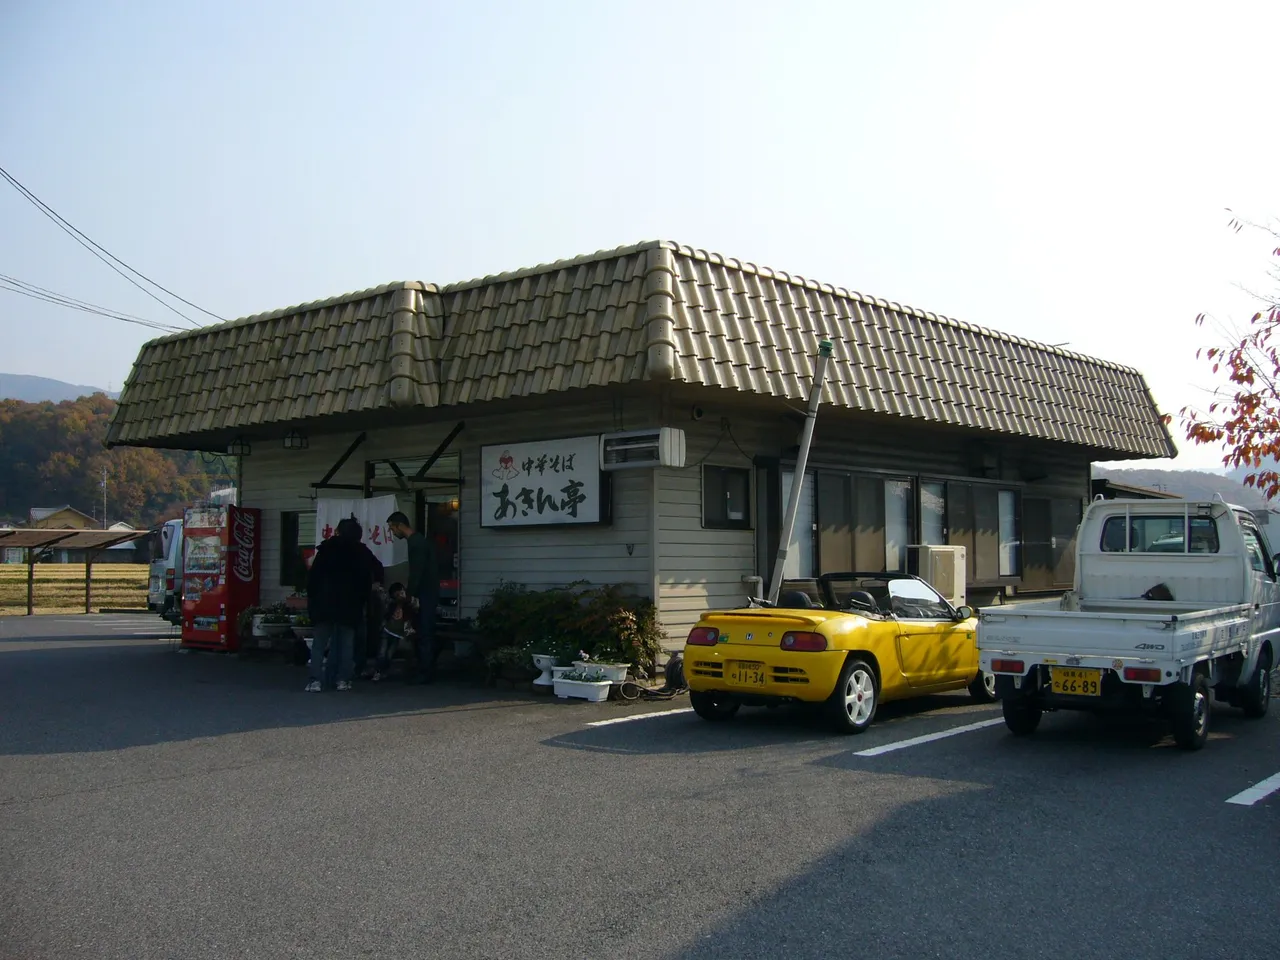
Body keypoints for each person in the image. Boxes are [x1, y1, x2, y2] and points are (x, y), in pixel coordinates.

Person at [305, 518, 374, 692]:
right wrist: (362, 601)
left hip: (324, 603)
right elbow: (366, 581)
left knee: (319, 643)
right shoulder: (361, 552)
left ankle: (315, 681)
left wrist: (312, 601)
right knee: (347, 644)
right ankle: (343, 680)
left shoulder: (326, 549)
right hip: (349, 604)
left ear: (338, 531)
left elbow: (313, 579)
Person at [387, 510, 438, 684]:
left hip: (424, 593)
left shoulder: (415, 543)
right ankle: (425, 668)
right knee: (423, 631)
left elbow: (417, 572)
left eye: (392, 528)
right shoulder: (420, 541)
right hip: (428, 591)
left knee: (423, 632)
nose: (393, 532)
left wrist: (409, 595)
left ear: (400, 525)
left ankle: (425, 671)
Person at [372, 582, 416, 681]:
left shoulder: (408, 605)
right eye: (397, 594)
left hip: (397, 633)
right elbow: (384, 601)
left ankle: (383, 670)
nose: (400, 596)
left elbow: (415, 605)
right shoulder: (391, 604)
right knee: (382, 653)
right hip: (387, 630)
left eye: (402, 593)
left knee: (389, 654)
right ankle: (378, 671)